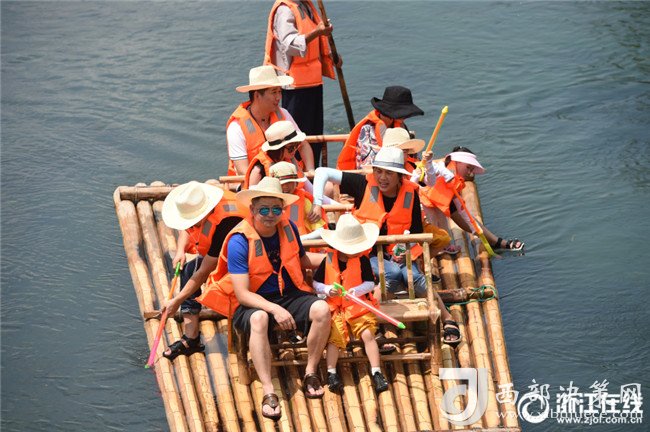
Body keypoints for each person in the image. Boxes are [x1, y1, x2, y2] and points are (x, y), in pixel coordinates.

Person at [197, 177, 331, 421]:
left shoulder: (289, 228)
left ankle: (311, 372)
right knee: (259, 318)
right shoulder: (239, 240)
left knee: (322, 309)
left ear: (283, 209)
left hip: (289, 294)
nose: (270, 215)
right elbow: (242, 294)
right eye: (264, 209)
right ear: (252, 209)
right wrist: (274, 310)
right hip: (252, 301)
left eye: (276, 209)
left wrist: (334, 262)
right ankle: (268, 390)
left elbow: (303, 261)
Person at [312, 147, 462, 346]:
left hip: (399, 252)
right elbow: (322, 172)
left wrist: (406, 251)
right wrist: (317, 203)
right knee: (390, 275)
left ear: (400, 176)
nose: (382, 178)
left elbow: (416, 231)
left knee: (417, 278)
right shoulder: (362, 184)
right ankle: (379, 325)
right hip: (367, 251)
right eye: (378, 171)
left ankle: (447, 318)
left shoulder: (410, 192)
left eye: (389, 173)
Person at [160, 181, 246, 360]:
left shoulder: (226, 222)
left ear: (206, 211)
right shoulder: (200, 207)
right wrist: (181, 250)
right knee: (187, 269)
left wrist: (177, 300)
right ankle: (191, 338)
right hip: (220, 254)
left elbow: (203, 272)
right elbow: (187, 228)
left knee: (194, 273)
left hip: (244, 260)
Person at [312, 214, 389, 393]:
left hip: (357, 306)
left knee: (368, 334)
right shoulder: (328, 259)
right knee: (335, 337)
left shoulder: (362, 259)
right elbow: (316, 283)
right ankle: (331, 373)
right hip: (334, 307)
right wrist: (327, 289)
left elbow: (370, 283)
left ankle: (376, 371)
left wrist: (356, 291)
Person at [264, 0, 338, 167]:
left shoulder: (306, 5)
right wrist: (318, 32)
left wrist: (332, 57)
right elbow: (289, 45)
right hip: (295, 86)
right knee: (296, 137)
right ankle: (296, 172)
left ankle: (313, 172)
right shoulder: (285, 10)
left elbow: (314, 45)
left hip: (313, 82)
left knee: (314, 134)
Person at [421, 146, 525, 252]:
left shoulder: (448, 175)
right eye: (468, 168)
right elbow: (460, 216)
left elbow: (462, 213)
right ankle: (495, 242)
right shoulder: (442, 175)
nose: (469, 173)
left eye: (471, 170)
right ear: (457, 162)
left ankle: (494, 241)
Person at [226, 65, 314, 177]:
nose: (279, 97)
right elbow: (243, 171)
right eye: (274, 92)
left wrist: (311, 171)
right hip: (254, 183)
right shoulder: (236, 127)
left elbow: (303, 145)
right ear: (257, 95)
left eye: (279, 91)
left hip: (288, 180)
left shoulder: (283, 114)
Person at [337, 86, 424, 170]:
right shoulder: (368, 130)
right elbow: (368, 164)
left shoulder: (400, 125)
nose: (406, 116)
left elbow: (411, 155)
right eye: (404, 113)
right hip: (373, 173)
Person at [269, 161, 327, 240]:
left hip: (302, 244)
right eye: (281, 183)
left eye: (290, 182)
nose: (285, 186)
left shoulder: (304, 201)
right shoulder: (266, 202)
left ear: (296, 183)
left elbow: (320, 231)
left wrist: (301, 239)